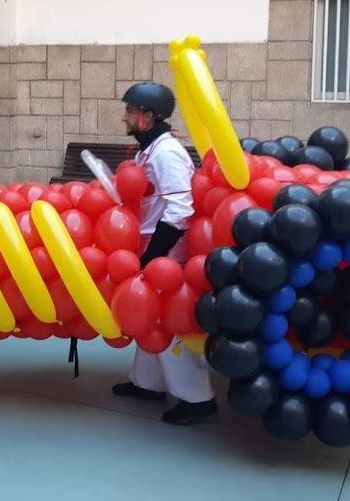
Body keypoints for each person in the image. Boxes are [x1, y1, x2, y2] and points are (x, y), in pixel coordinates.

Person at [110, 82, 217, 425]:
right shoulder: (148, 151)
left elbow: (180, 208)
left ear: (148, 115)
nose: (125, 117)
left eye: (130, 111)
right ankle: (147, 383)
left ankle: (198, 399)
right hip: (151, 247)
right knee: (149, 317)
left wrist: (154, 255)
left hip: (166, 252)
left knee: (170, 322)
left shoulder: (166, 152)